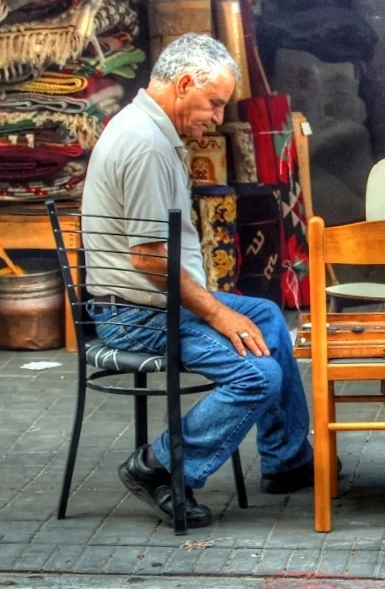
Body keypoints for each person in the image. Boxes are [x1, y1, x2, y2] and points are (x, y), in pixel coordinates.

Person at [81, 33, 317, 529]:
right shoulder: (146, 146)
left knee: (267, 316)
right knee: (258, 375)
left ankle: (287, 459)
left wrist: (218, 308)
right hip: (138, 315)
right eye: (214, 103)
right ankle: (160, 466)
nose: (217, 116)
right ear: (184, 84)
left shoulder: (148, 129)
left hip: (152, 303)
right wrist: (216, 312)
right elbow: (148, 260)